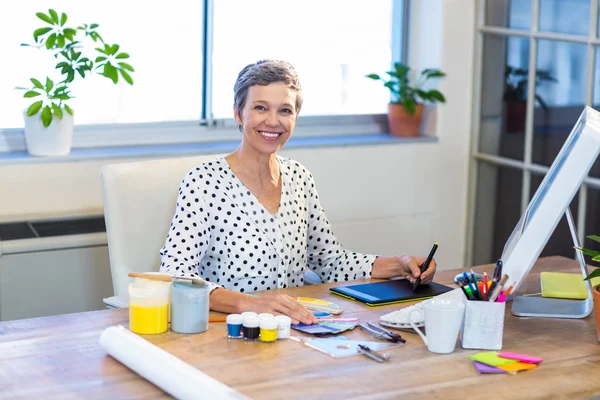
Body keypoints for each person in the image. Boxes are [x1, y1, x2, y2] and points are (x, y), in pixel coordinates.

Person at [159, 60, 437, 324]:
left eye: (285, 110)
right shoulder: (204, 182)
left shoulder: (299, 177)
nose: (272, 121)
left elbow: (330, 262)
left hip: (293, 329)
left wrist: (398, 265)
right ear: (238, 113)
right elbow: (176, 275)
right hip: (228, 330)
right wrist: (250, 303)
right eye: (260, 108)